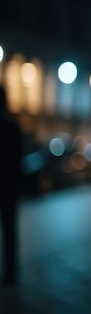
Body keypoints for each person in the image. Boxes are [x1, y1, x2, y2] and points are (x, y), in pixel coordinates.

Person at [0, 85, 23, 287]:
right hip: (9, 187)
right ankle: (10, 271)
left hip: (7, 186)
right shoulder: (12, 128)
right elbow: (18, 161)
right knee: (9, 229)